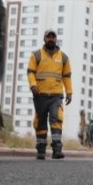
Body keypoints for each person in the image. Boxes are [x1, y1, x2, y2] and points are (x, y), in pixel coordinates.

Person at [27, 29, 73, 160]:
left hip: (56, 96)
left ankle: (57, 150)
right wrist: (33, 85)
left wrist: (69, 92)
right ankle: (41, 151)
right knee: (40, 122)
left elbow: (67, 76)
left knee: (56, 119)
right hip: (40, 95)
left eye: (53, 37)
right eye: (49, 37)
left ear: (56, 39)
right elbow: (30, 72)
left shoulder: (63, 57)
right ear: (44, 39)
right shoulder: (36, 55)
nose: (51, 39)